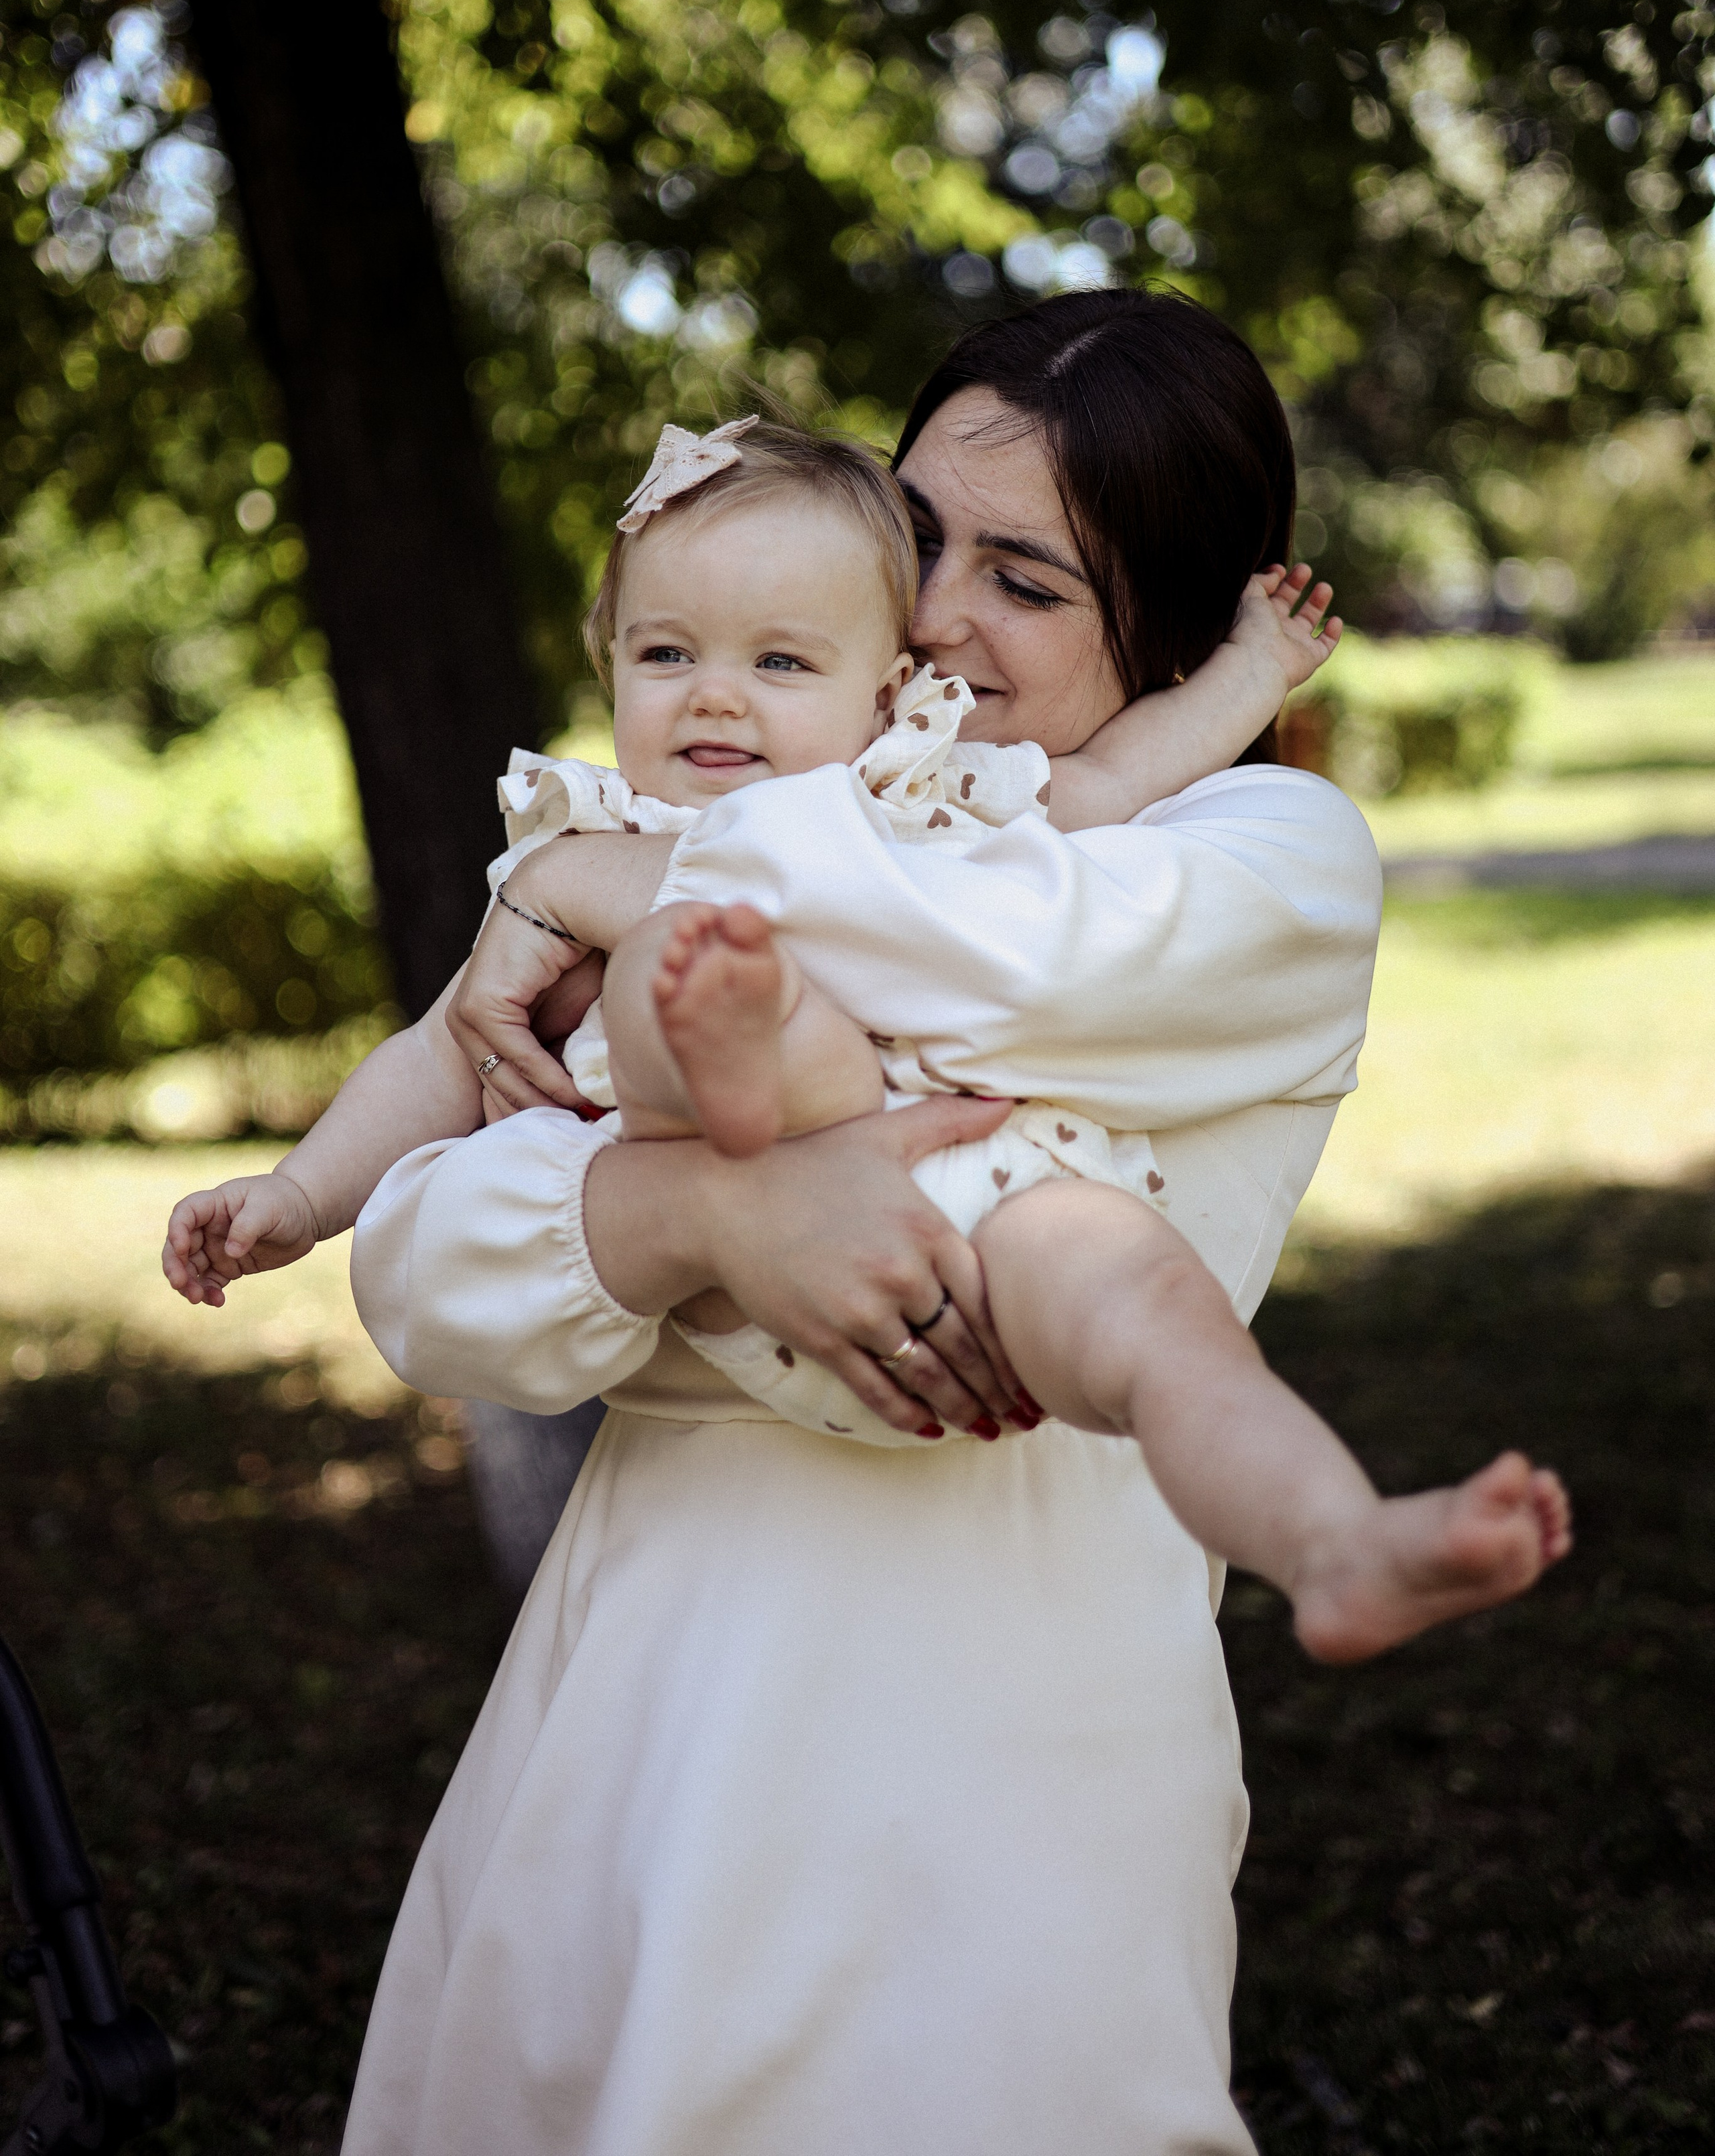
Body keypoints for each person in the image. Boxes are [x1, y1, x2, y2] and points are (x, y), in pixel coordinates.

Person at [260, 294, 1564, 2151]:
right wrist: (703, 1204)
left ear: (1178, 631)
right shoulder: (759, 802)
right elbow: (428, 1272)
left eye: (1026, 581)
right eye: (918, 535)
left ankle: (1336, 1531)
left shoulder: (1257, 867)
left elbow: (929, 933)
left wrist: (583, 878)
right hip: (636, 1722)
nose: (937, 615)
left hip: (1002, 1755)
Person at [163, 414, 1566, 1664]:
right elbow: (432, 1061)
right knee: (689, 968)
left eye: (779, 660)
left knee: (1144, 1306)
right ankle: (730, 1059)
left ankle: (1333, 1541)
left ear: (890, 689)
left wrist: (1257, 667)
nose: (715, 695)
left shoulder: (923, 796)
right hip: (739, 1243)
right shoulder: (579, 845)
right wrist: (298, 1196)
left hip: (964, 1241)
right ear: (606, 666)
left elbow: (1119, 774)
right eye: (666, 654)